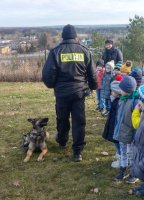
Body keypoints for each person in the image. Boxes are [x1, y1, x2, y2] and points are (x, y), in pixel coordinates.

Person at [42, 24, 97, 162]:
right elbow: (92, 74)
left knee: (62, 118)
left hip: (62, 94)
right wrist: (93, 86)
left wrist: (53, 85)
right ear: (75, 36)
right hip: (79, 93)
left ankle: (62, 140)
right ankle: (77, 152)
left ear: (63, 36)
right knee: (79, 122)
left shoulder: (55, 51)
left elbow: (48, 76)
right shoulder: (84, 51)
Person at [113, 76, 139, 183]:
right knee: (123, 151)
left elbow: (135, 120)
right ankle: (123, 168)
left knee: (130, 153)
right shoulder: (121, 100)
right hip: (121, 132)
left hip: (130, 134)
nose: (120, 91)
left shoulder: (134, 102)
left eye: (121, 89)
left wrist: (134, 135)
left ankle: (133, 172)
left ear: (128, 90)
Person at [102, 80, 122, 169]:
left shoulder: (119, 102)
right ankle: (119, 153)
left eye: (113, 91)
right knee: (116, 141)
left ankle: (121, 159)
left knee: (118, 142)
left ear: (118, 93)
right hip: (114, 125)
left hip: (117, 127)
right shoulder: (115, 100)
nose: (111, 92)